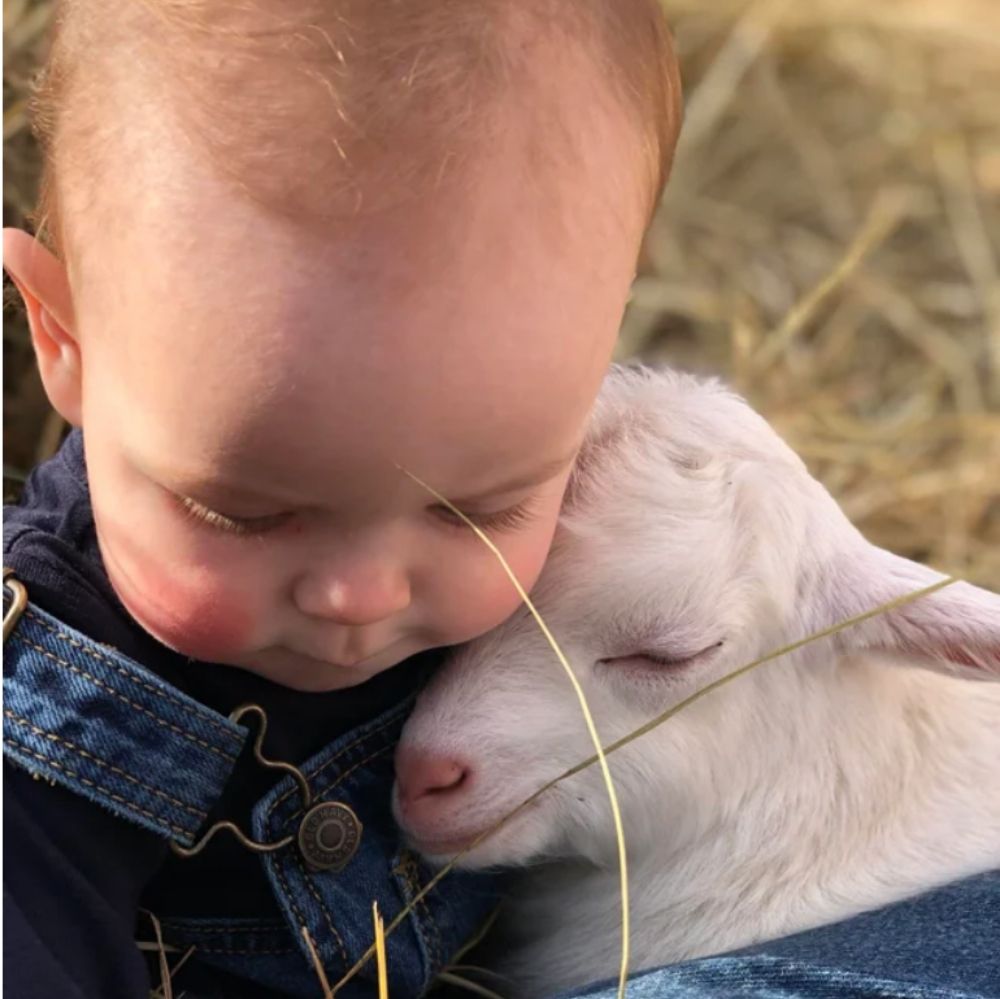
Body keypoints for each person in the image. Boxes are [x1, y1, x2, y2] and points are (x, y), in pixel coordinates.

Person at [2, 1, 682, 996]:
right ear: (64, 340)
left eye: (476, 510)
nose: (359, 599)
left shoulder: (627, 517)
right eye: (243, 513)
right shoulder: (41, 720)